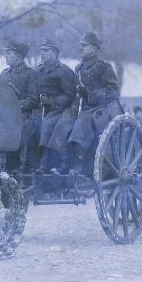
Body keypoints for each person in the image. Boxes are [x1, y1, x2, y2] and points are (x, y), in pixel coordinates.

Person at [66, 32, 121, 175]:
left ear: (95, 48)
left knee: (83, 120)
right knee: (65, 121)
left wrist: (90, 94)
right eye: (81, 45)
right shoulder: (79, 68)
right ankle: (64, 162)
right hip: (86, 108)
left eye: (85, 45)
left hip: (105, 109)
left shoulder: (104, 66)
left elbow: (113, 91)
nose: (81, 48)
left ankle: (79, 162)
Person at [35, 39, 77, 173]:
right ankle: (42, 164)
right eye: (41, 51)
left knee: (52, 127)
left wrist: (50, 101)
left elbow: (69, 96)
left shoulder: (64, 71)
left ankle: (58, 164)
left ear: (55, 53)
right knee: (40, 128)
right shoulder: (40, 70)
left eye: (46, 51)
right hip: (46, 110)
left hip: (64, 110)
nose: (42, 54)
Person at [0, 40, 39, 173]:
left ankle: (15, 169)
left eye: (9, 53)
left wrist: (15, 107)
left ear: (18, 55)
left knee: (17, 132)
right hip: (4, 114)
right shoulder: (4, 74)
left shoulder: (30, 74)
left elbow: (33, 99)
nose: (6, 56)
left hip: (23, 115)